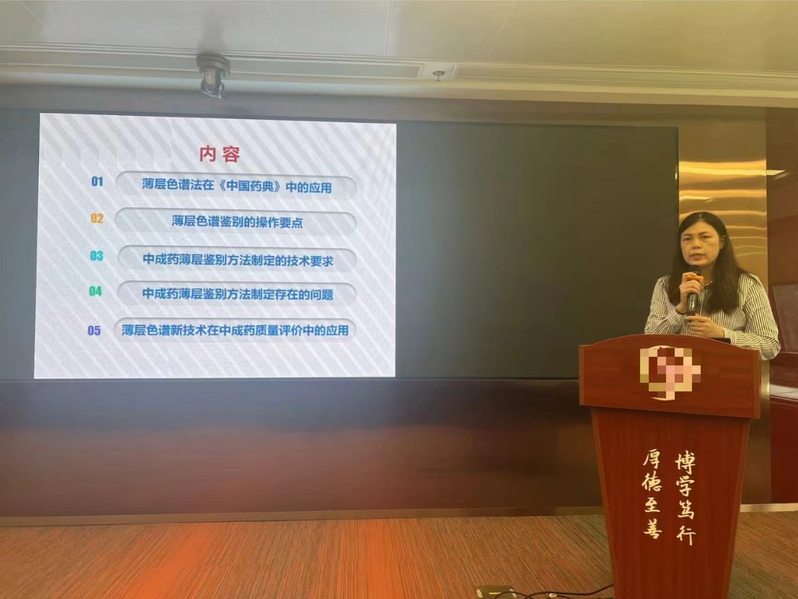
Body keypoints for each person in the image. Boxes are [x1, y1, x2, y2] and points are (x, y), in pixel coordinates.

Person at [645, 211, 780, 360]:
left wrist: (722, 334)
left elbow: (770, 345)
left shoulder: (747, 284)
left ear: (722, 242)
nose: (696, 245)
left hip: (725, 371)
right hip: (676, 372)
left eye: (705, 237)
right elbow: (649, 341)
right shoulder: (664, 284)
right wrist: (680, 309)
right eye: (687, 239)